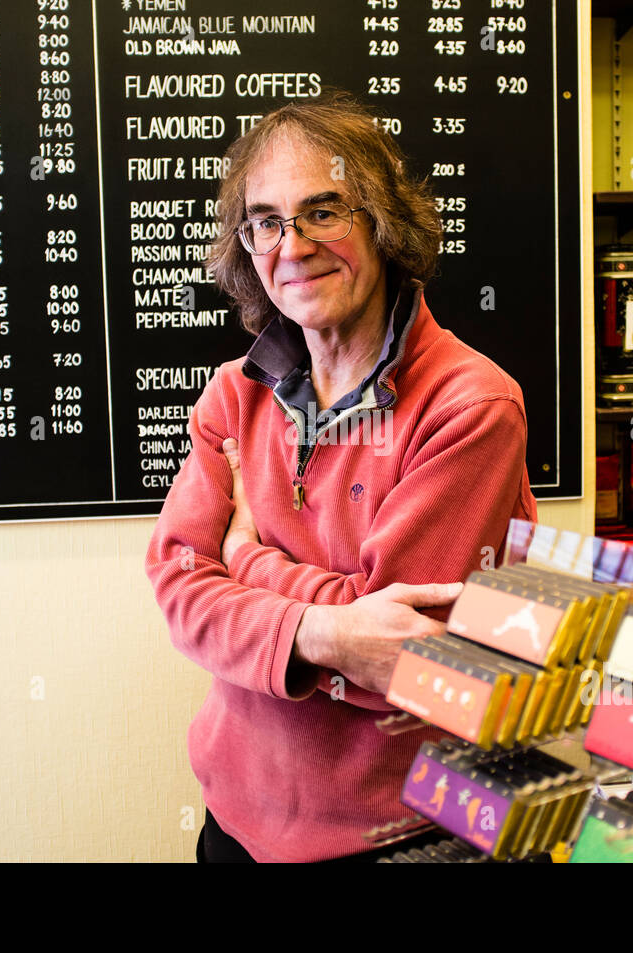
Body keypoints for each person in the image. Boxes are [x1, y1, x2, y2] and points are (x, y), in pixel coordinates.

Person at [144, 91, 538, 862]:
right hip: (235, 827)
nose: (293, 245)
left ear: (384, 222)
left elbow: (403, 655)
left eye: (325, 211)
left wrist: (247, 559)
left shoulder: (473, 405)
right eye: (266, 220)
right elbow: (180, 589)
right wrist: (328, 629)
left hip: (409, 838)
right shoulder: (234, 392)